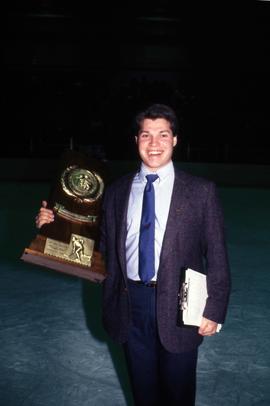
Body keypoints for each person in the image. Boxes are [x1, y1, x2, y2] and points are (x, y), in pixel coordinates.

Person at [36, 103, 231, 406]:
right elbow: (96, 251)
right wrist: (53, 227)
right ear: (136, 140)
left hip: (181, 307)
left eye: (163, 135)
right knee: (144, 394)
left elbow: (217, 255)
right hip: (129, 304)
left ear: (175, 140)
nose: (154, 144)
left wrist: (214, 309)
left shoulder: (200, 192)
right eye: (146, 135)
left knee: (179, 395)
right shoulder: (116, 191)